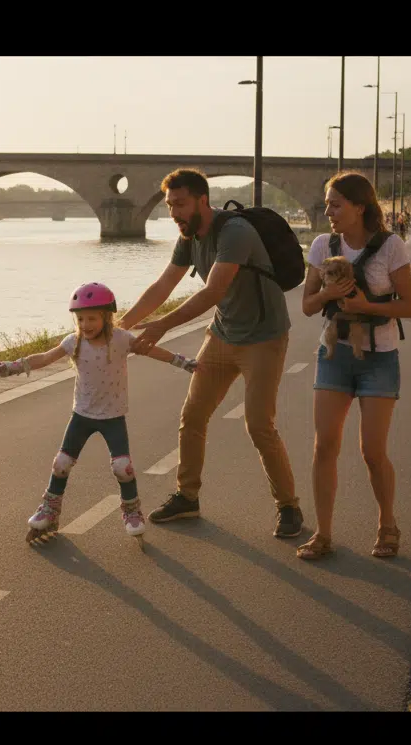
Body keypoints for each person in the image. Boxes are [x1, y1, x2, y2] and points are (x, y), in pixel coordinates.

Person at [121, 169, 304, 538]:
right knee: (193, 416)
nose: (174, 212)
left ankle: (288, 506)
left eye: (180, 204)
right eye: (170, 205)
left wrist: (161, 326)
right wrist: (120, 326)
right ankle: (187, 497)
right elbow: (164, 284)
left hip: (263, 338)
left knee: (259, 425)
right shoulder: (188, 236)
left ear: (202, 201)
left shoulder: (234, 232)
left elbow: (213, 291)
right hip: (223, 334)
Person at [0, 283, 198, 541]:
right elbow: (43, 358)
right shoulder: (73, 342)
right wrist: (10, 367)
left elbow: (152, 351)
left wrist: (183, 362)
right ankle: (49, 509)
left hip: (113, 416)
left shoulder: (121, 339)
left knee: (122, 467)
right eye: (80, 319)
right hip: (82, 416)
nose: (85, 324)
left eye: (91, 318)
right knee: (61, 464)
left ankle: (132, 510)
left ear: (106, 317)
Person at [296, 172, 411, 560]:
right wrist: (329, 293)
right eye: (327, 205)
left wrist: (366, 306)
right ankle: (323, 534)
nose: (328, 212)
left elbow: (410, 307)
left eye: (336, 205)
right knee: (324, 446)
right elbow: (307, 305)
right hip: (334, 356)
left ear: (359, 207)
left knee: (372, 451)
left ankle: (387, 524)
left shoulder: (390, 246)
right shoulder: (322, 245)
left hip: (379, 357)